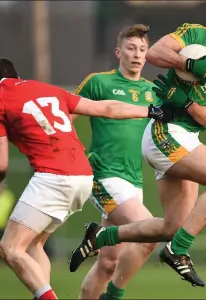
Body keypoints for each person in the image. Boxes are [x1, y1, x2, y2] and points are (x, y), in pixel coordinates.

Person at [69, 0, 206, 288]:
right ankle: (178, 251)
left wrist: (185, 100)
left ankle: (101, 237)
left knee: (172, 226)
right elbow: (157, 52)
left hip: (188, 136)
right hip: (165, 131)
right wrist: (187, 63)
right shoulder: (197, 35)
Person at [0, 57, 174, 300]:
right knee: (35, 244)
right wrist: (149, 110)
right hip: (83, 177)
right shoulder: (49, 90)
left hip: (53, 177)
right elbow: (106, 108)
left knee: (8, 247)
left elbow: (0, 164)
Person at [71, 24, 161, 300]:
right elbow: (67, 117)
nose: (137, 55)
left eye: (142, 50)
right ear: (118, 51)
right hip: (103, 175)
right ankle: (112, 293)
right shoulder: (99, 82)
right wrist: (70, 156)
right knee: (151, 232)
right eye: (131, 48)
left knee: (108, 264)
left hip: (133, 180)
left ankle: (97, 241)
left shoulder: (153, 91)